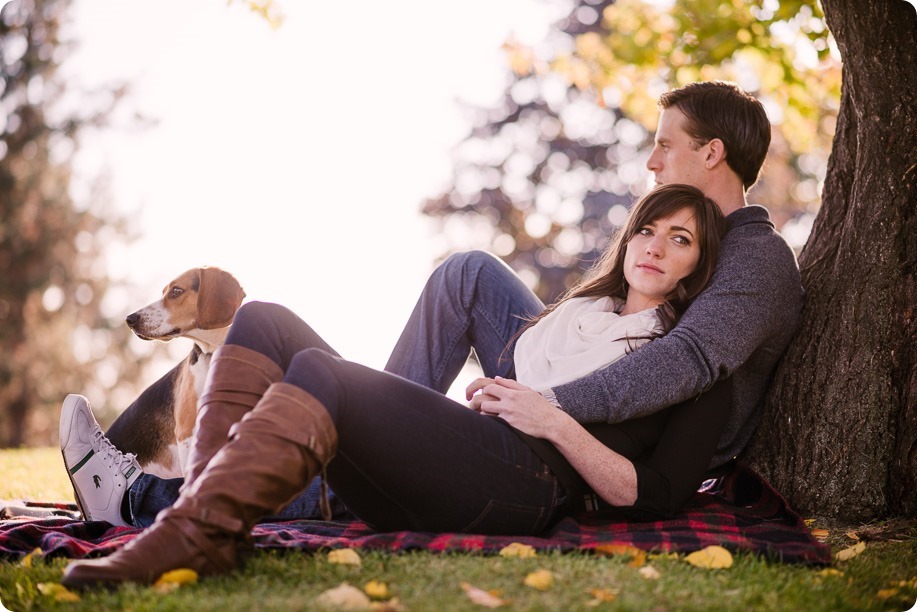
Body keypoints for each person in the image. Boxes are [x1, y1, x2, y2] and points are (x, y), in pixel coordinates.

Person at [60, 80, 804, 588]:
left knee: (322, 370)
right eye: (652, 234)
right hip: (547, 400)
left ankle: (161, 508)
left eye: (664, 144)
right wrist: (536, 379)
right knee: (434, 280)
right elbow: (610, 327)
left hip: (576, 436)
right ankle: (264, 481)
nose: (648, 159)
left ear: (712, 153)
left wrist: (547, 407)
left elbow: (681, 367)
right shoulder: (646, 268)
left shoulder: (753, 257)